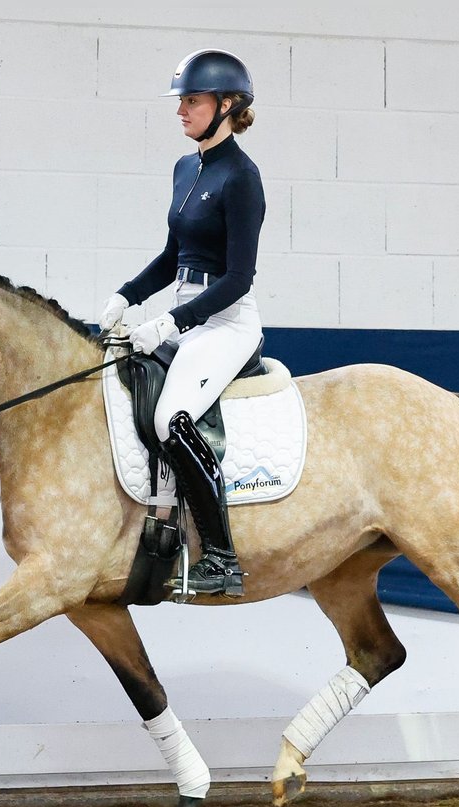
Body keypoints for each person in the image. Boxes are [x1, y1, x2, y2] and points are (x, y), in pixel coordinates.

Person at [99, 48, 265, 598]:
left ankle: (221, 557)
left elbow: (238, 278)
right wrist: (127, 296)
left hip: (227, 323)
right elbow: (173, 257)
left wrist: (170, 323)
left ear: (226, 105)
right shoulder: (185, 168)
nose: (181, 111)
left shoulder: (242, 177)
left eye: (191, 101)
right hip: (187, 316)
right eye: (183, 102)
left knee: (173, 418)